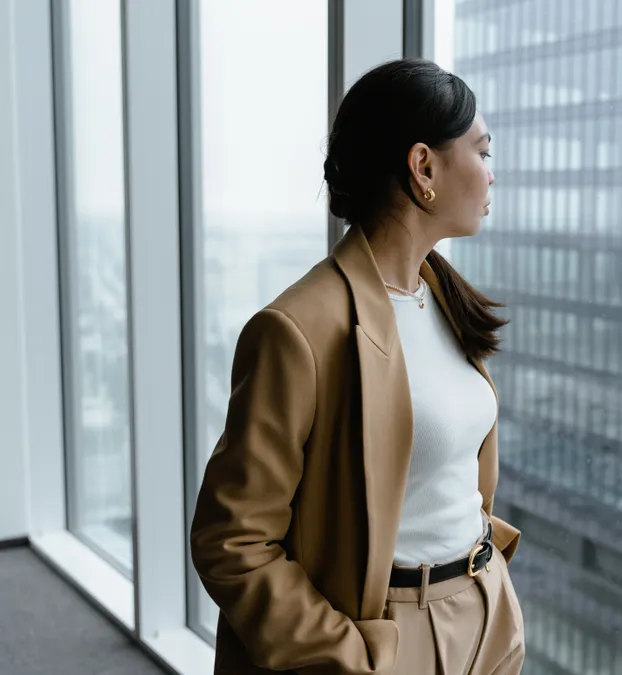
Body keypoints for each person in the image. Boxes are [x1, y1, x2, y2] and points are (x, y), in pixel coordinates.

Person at [190, 58, 524, 675]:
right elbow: (231, 541)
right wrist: (347, 660)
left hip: (484, 615)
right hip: (386, 638)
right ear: (424, 166)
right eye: (482, 152)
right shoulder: (297, 330)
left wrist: (489, 578)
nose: (492, 175)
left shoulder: (443, 298)